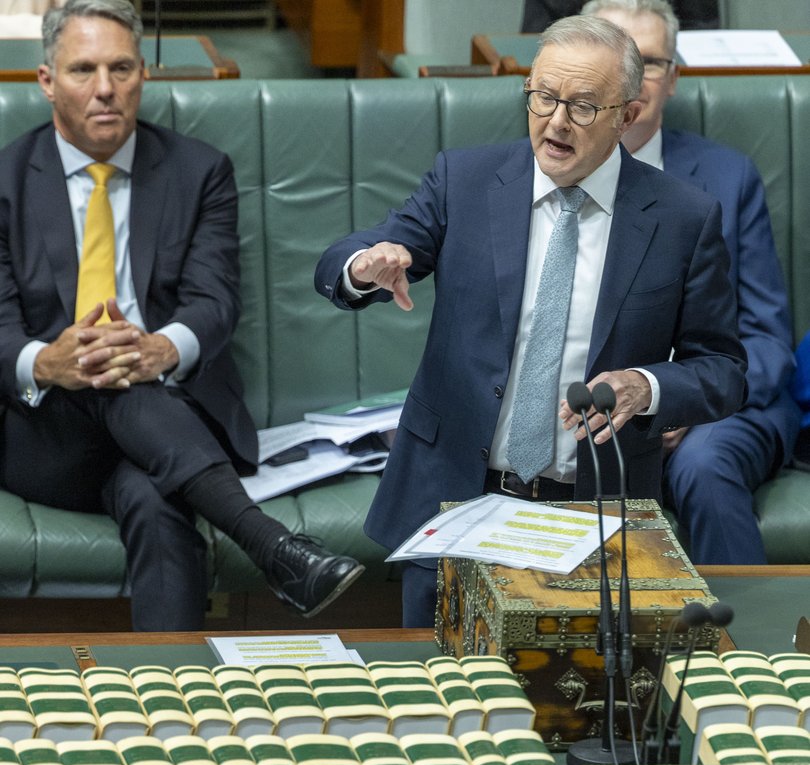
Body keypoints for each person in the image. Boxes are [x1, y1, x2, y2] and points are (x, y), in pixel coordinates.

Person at [316, 15, 746, 627]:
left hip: (593, 518)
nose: (556, 121)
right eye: (543, 97)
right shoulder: (464, 181)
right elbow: (352, 258)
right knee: (438, 707)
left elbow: (723, 371)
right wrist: (366, 265)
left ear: (626, 115)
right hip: (457, 498)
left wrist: (647, 387)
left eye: (583, 106)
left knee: (573, 711)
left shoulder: (682, 218)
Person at [0, 0, 362, 631]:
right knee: (106, 371)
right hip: (45, 434)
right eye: (84, 70)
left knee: (150, 490)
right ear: (47, 82)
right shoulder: (4, 182)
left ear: (145, 73)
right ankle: (270, 543)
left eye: (122, 68)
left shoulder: (198, 172)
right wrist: (49, 362)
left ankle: (169, 703)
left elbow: (215, 302)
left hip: (168, 426)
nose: (106, 90)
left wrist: (162, 349)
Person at [581, 0, 800, 564]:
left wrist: (685, 403)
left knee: (704, 465)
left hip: (721, 411)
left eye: (649, 63)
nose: (633, 78)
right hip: (599, 410)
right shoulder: (554, 174)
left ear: (673, 78)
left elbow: (767, 341)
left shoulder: (727, 177)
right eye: (617, 58)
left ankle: (745, 646)